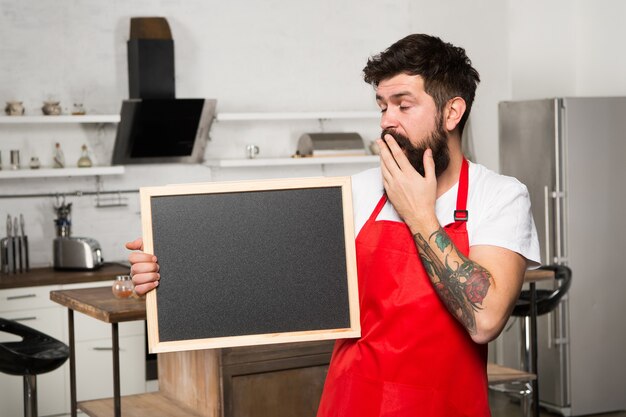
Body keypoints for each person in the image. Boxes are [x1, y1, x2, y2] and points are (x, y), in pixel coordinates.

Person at [126, 33, 540, 417]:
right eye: (382, 106)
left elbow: (485, 321)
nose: (386, 121)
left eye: (403, 104)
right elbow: (261, 271)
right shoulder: (355, 193)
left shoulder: (500, 197)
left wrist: (418, 213)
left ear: (452, 111)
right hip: (352, 401)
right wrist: (166, 273)